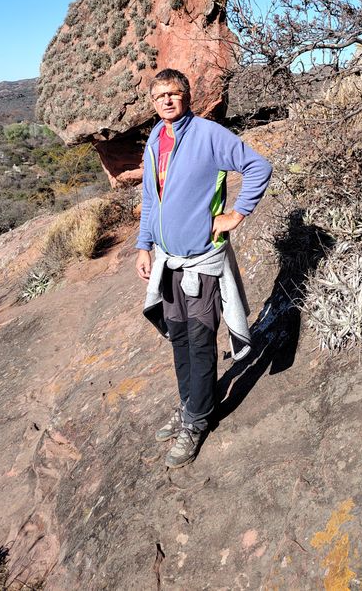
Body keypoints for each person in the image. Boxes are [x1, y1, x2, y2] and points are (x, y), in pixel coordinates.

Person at [135, 68, 272, 469]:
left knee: (198, 339)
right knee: (178, 338)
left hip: (201, 262)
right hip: (167, 261)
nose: (167, 100)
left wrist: (236, 215)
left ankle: (197, 421)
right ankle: (188, 405)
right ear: (152, 101)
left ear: (187, 96)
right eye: (160, 95)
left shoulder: (209, 135)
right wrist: (144, 245)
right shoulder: (154, 139)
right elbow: (149, 198)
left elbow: (257, 167)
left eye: (174, 93)